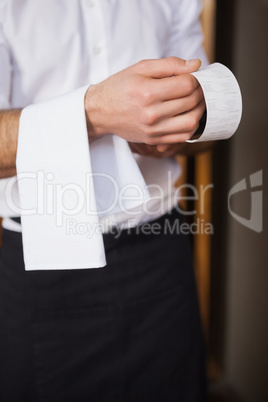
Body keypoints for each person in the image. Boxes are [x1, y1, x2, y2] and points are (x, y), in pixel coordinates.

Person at [0, 0, 212, 400]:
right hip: (45, 268)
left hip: (161, 254)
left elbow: (205, 127)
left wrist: (190, 126)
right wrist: (93, 113)